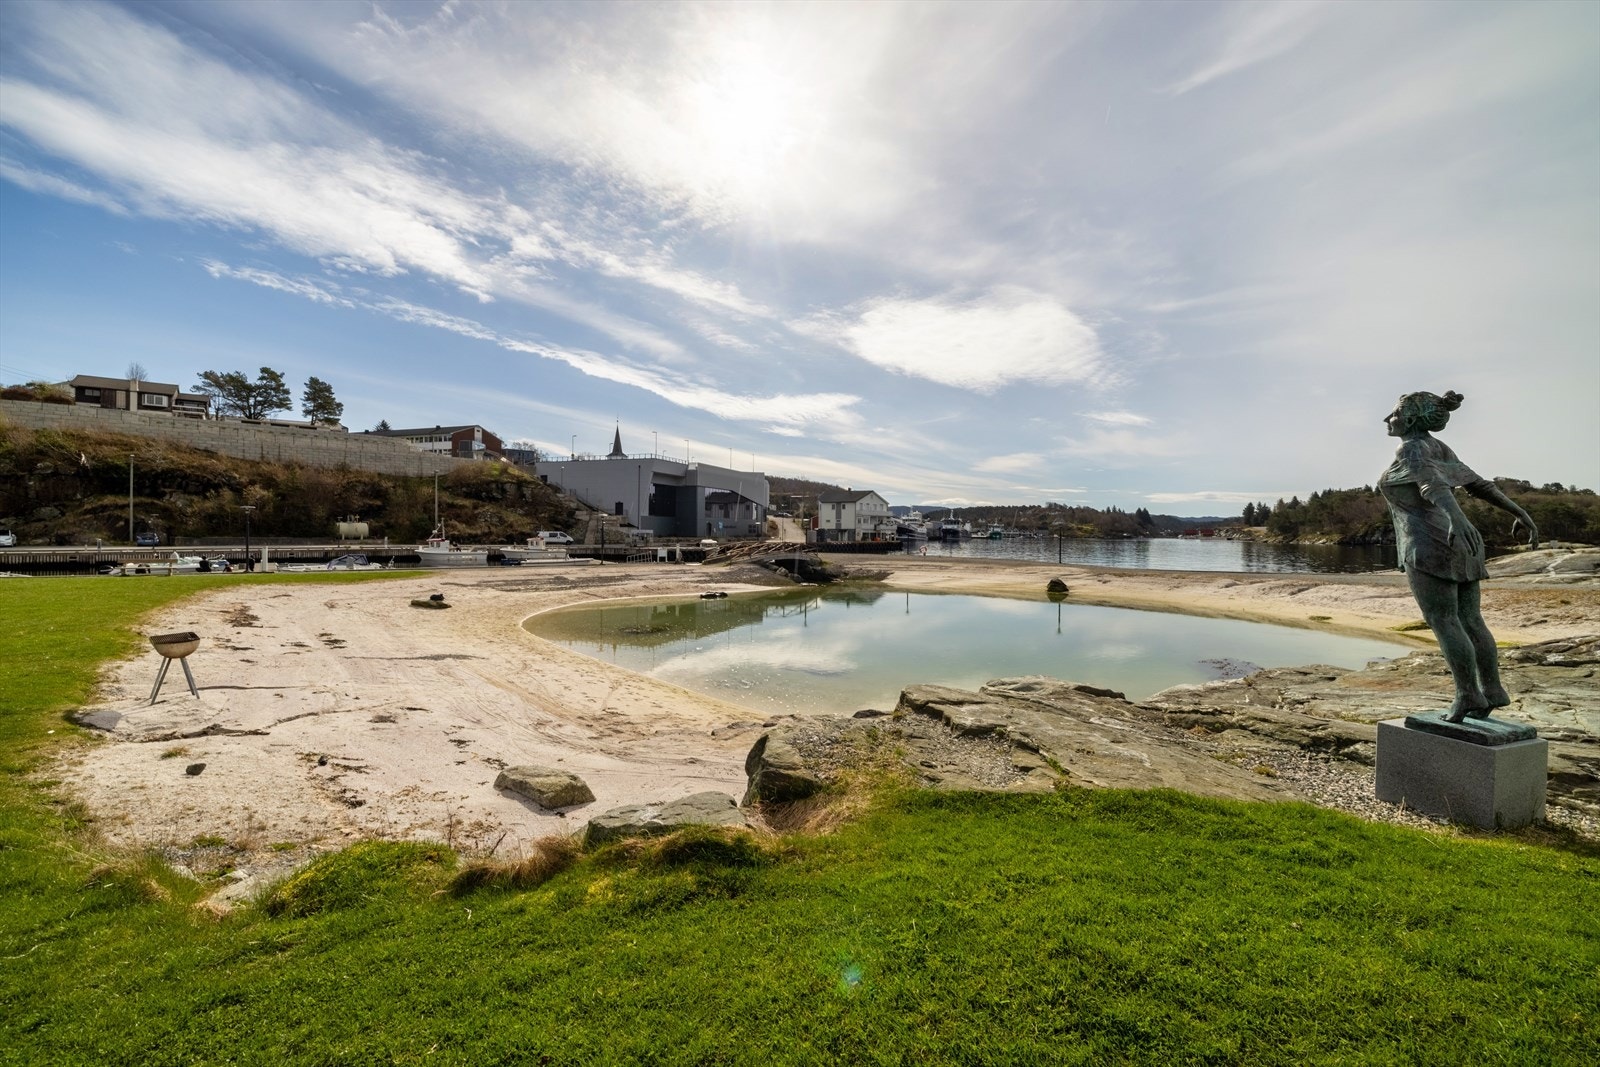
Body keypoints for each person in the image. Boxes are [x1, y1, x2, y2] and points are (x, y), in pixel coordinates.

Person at [1378, 390, 1538, 722]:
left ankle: (1467, 695)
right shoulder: (1438, 447)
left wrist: (1458, 519)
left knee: (1444, 620)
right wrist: (1520, 511)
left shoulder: (1409, 448)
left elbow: (1431, 486)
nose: (1386, 420)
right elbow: (1478, 485)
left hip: (1428, 545)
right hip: (1462, 543)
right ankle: (1492, 690)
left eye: (1392, 414)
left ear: (1409, 419)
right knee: (1471, 620)